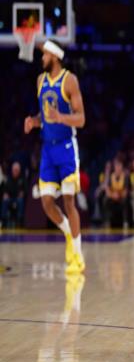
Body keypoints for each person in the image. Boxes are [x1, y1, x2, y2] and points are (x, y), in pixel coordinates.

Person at [24, 40, 85, 274]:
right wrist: (34, 121)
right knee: (47, 202)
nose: (42, 58)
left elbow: (81, 119)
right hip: (47, 150)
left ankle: (77, 257)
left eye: (46, 54)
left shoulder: (70, 80)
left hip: (67, 148)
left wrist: (61, 117)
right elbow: (44, 114)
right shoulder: (40, 81)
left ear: (56, 56)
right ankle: (70, 233)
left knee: (69, 201)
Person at [1, 161, 25, 226]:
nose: (15, 171)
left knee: (20, 201)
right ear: (12, 170)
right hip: (10, 198)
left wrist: (22, 192)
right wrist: (5, 193)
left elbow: (25, 189)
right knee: (5, 200)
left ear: (19, 171)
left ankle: (19, 220)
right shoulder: (8, 178)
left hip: (18, 198)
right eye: (14, 170)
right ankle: (3, 220)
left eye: (17, 170)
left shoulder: (22, 178)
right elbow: (4, 188)